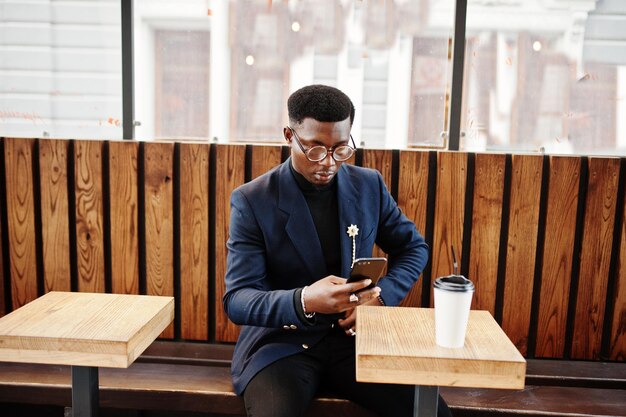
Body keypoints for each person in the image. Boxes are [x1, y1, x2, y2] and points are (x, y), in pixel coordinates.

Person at [223, 84, 452, 417]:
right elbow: (238, 299)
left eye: (341, 149)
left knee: (431, 413)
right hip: (282, 346)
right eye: (315, 149)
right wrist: (303, 300)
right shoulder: (252, 200)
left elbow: (413, 248)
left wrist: (381, 298)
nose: (328, 162)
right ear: (289, 135)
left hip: (355, 341)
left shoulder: (368, 185)